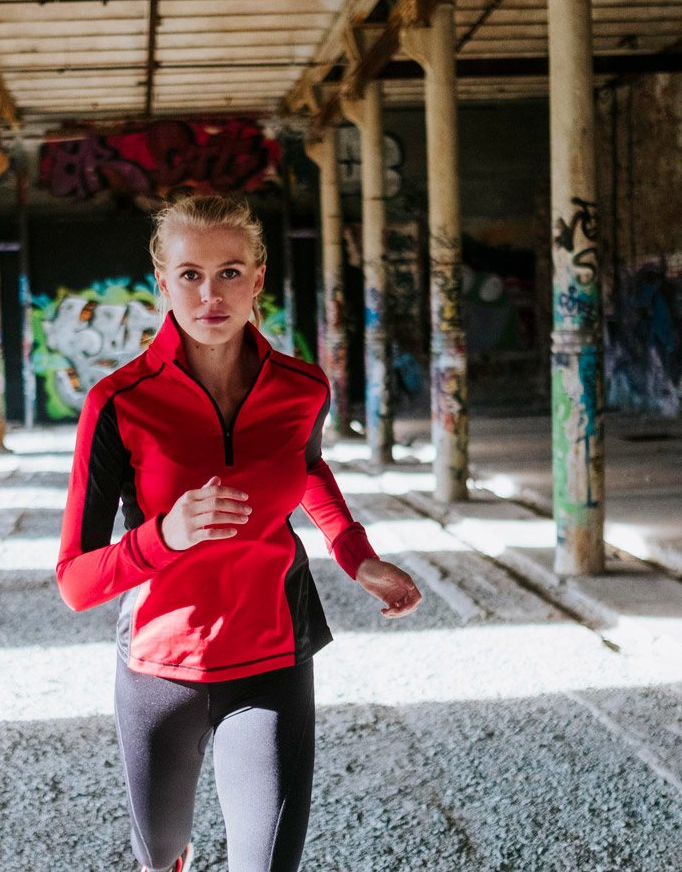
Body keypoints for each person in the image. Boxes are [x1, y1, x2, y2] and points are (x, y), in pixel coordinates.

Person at [56, 195, 422, 872]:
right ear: (162, 283)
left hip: (272, 657)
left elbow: (304, 466)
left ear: (257, 279)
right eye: (190, 275)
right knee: (160, 853)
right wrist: (167, 535)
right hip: (160, 668)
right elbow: (76, 584)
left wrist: (356, 555)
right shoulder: (119, 403)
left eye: (229, 272)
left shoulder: (303, 389)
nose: (210, 295)